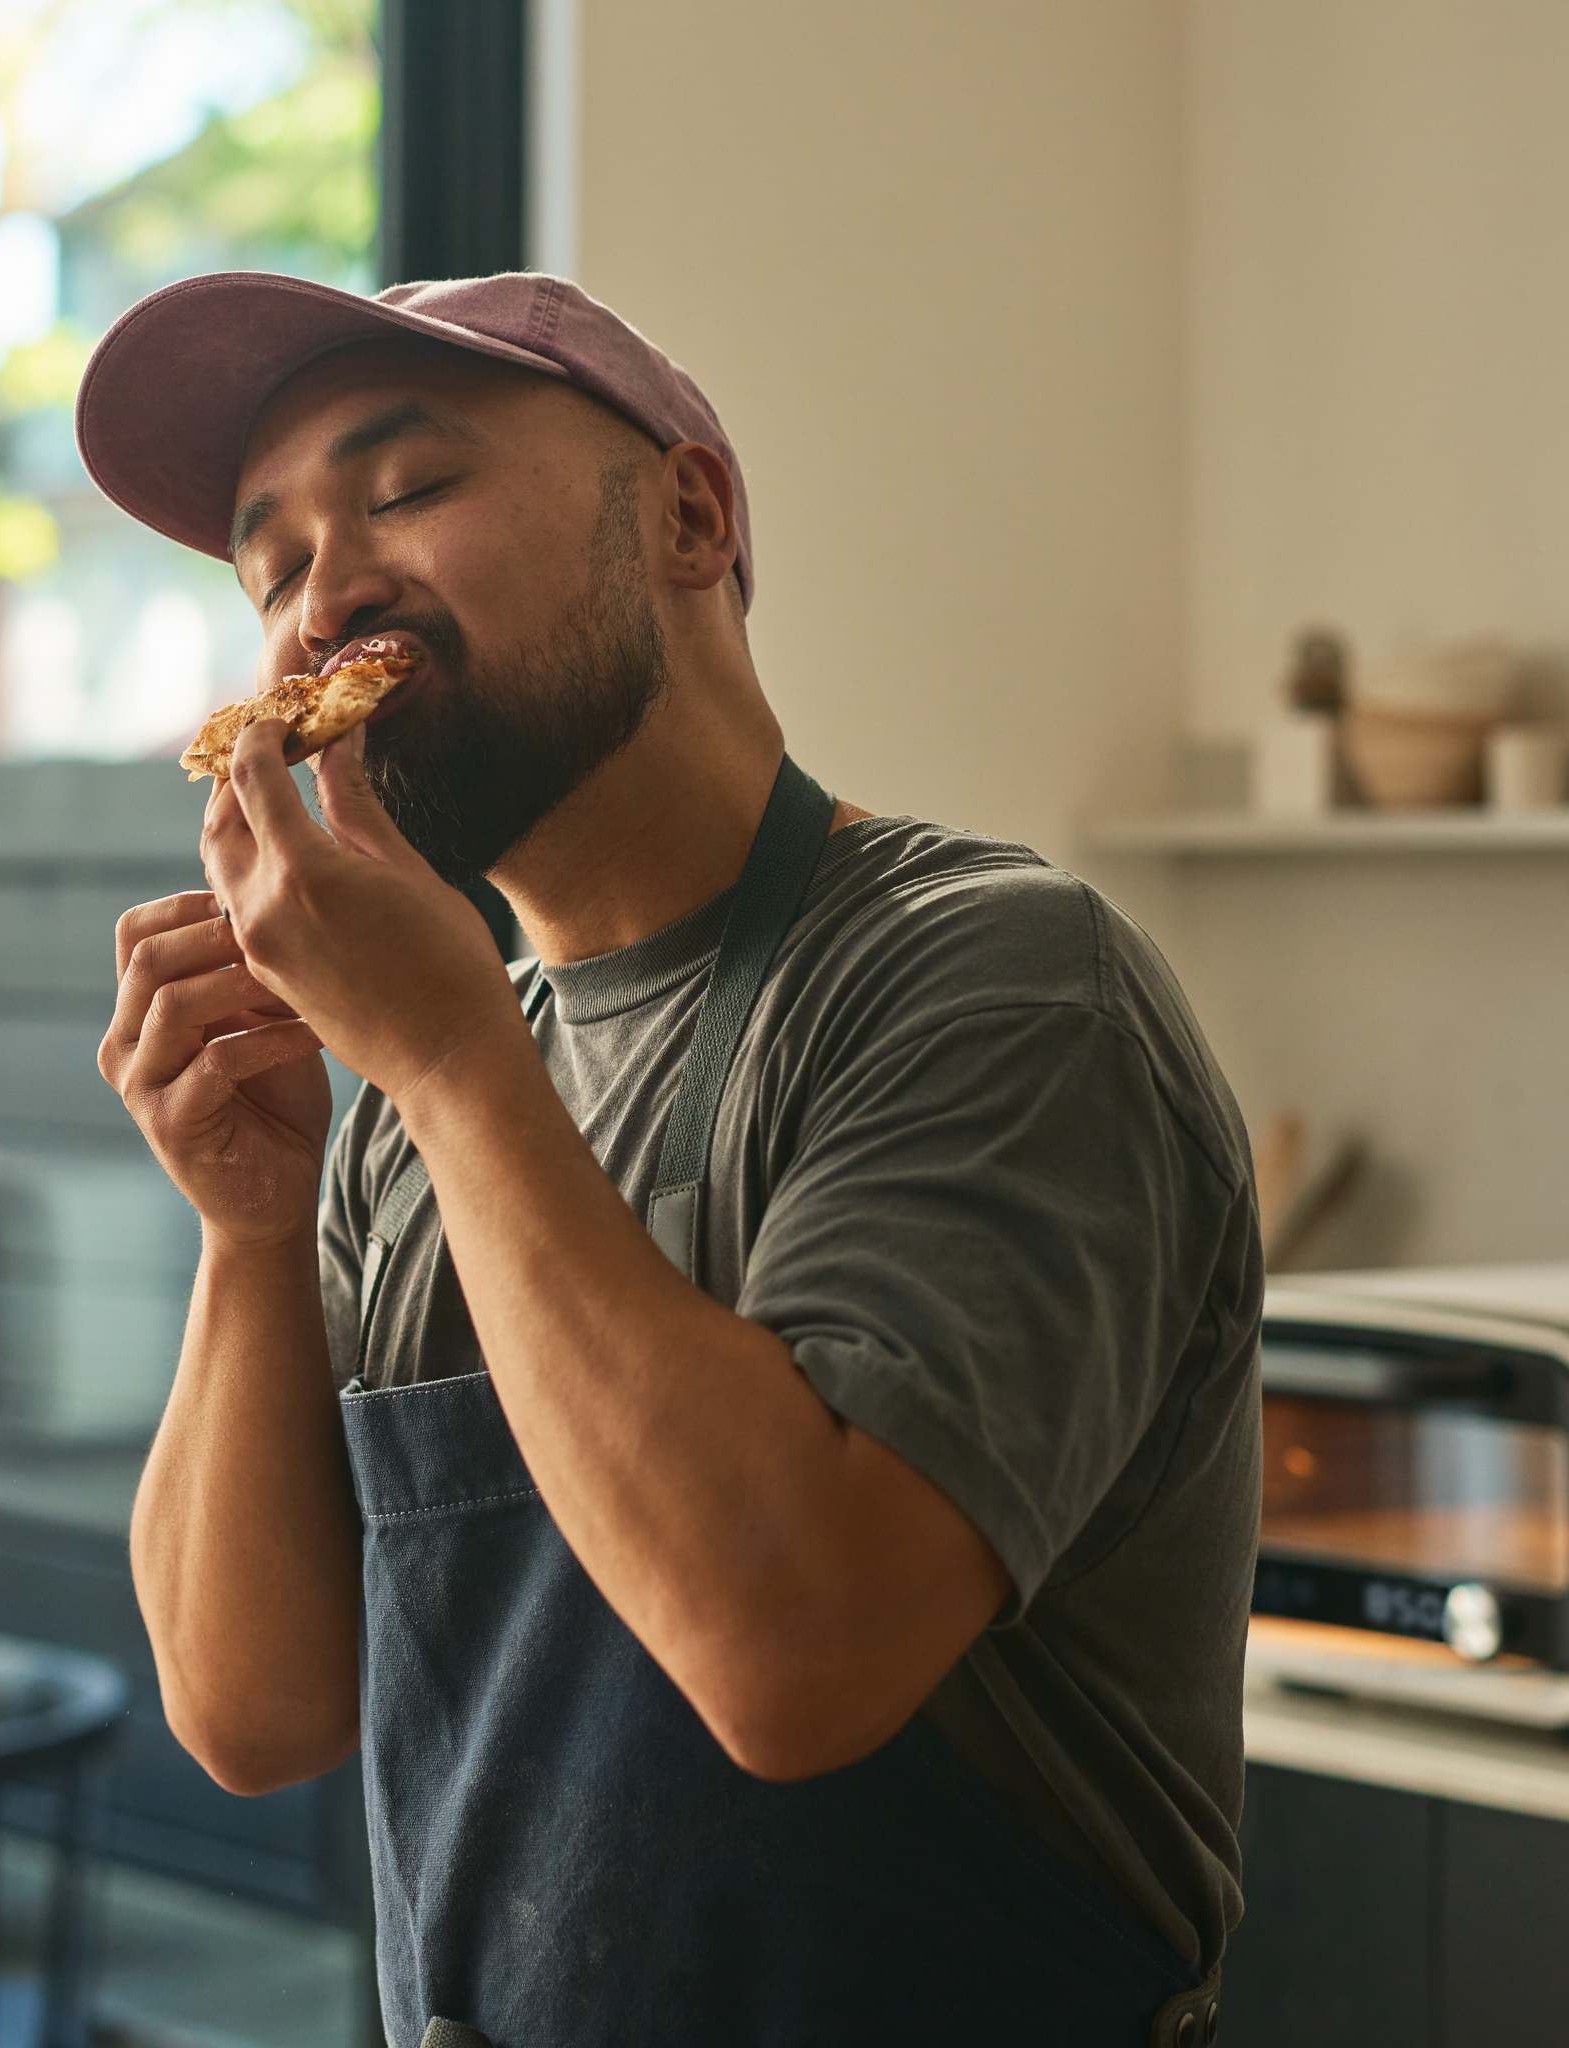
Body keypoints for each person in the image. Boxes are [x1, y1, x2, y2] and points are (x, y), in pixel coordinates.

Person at [83, 271, 1257, 2048]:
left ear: (690, 515)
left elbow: (801, 1656)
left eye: (407, 491)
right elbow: (251, 1713)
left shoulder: (993, 979)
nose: (328, 599)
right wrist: (252, 1226)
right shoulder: (419, 1088)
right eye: (271, 567)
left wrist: (452, 1060)